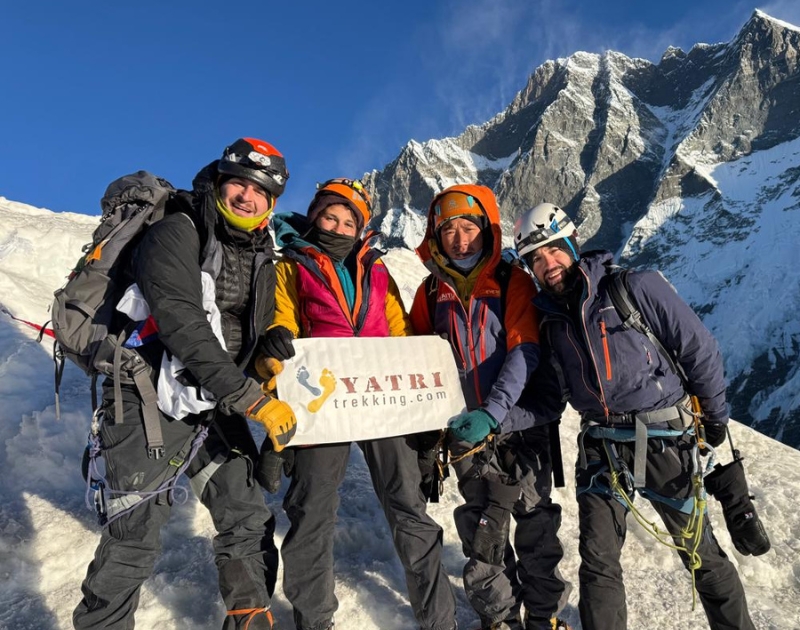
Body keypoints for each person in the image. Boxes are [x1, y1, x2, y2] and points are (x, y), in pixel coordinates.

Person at [74, 138, 298, 630]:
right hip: (148, 398)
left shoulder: (261, 252)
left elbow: (237, 331)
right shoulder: (178, 229)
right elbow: (181, 321)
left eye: (260, 190)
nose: (247, 196)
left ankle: (249, 615)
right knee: (134, 535)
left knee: (246, 516)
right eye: (238, 182)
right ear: (218, 182)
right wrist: (249, 399)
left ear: (273, 203)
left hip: (210, 400)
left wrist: (265, 352)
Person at [512, 203, 756, 630]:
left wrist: (715, 416)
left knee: (699, 553)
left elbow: (699, 350)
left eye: (553, 250)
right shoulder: (550, 321)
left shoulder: (634, 287)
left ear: (572, 245)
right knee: (598, 561)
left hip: (664, 437)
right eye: (536, 258)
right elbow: (550, 396)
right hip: (601, 448)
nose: (548, 264)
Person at [253, 178, 458, 630]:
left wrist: (422, 411)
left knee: (408, 505)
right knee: (311, 509)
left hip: (382, 398)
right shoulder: (290, 266)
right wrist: (274, 345)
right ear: (314, 216)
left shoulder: (378, 271)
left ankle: (439, 620)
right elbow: (279, 322)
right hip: (323, 402)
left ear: (360, 228)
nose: (340, 227)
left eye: (350, 221)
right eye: (331, 216)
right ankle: (314, 618)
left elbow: (401, 335)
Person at [410, 185, 571, 630]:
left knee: (535, 525)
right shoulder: (428, 293)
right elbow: (416, 358)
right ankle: (500, 619)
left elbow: (525, 351)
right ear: (435, 236)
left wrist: (493, 413)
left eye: (469, 227)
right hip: (465, 436)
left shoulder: (510, 279)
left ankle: (544, 616)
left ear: (486, 228)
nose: (461, 240)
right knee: (483, 535)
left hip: (520, 428)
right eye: (449, 230)